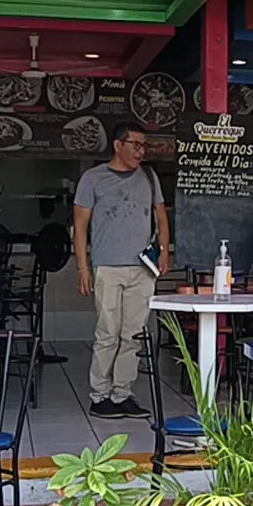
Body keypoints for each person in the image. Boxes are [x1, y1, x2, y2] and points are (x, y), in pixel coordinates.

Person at [73, 122, 170, 419]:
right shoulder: (93, 178)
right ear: (118, 145)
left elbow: (162, 218)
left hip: (142, 269)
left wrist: (164, 252)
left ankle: (123, 393)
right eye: (135, 145)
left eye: (144, 146)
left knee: (133, 334)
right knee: (107, 332)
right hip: (107, 267)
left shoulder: (149, 177)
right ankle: (100, 395)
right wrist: (82, 268)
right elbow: (80, 226)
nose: (141, 151)